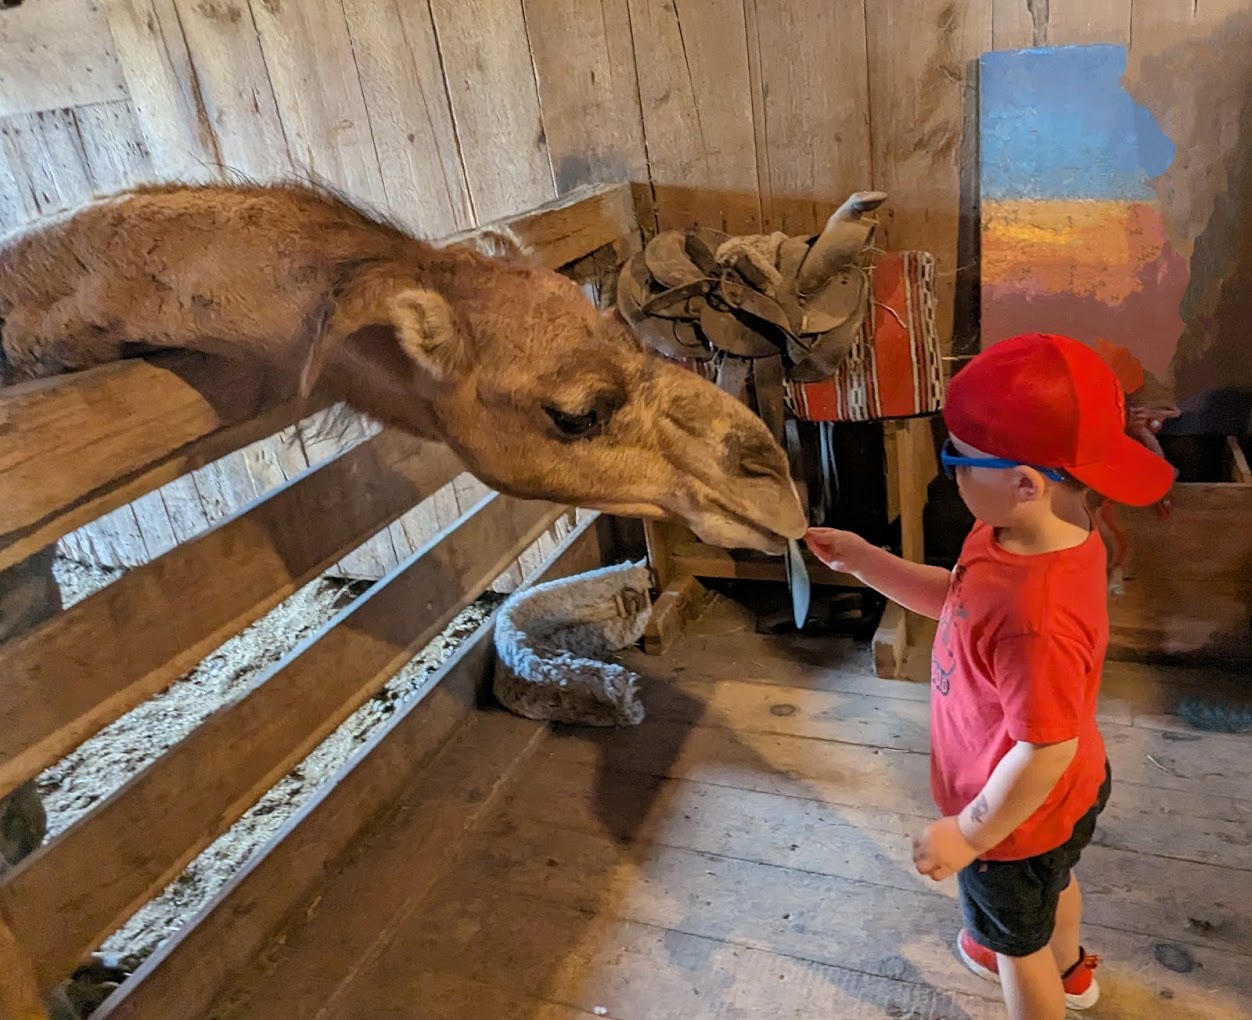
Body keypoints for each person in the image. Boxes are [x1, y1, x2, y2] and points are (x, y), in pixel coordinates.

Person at [805, 333, 1175, 1020]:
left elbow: (1044, 747)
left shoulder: (1037, 617)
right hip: (1063, 800)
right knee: (1052, 885)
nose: (951, 473)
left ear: (1023, 481)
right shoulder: (1032, 530)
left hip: (1014, 817)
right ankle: (1065, 967)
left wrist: (970, 834)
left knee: (1018, 948)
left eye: (957, 460)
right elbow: (957, 597)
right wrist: (867, 562)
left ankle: (1038, 974)